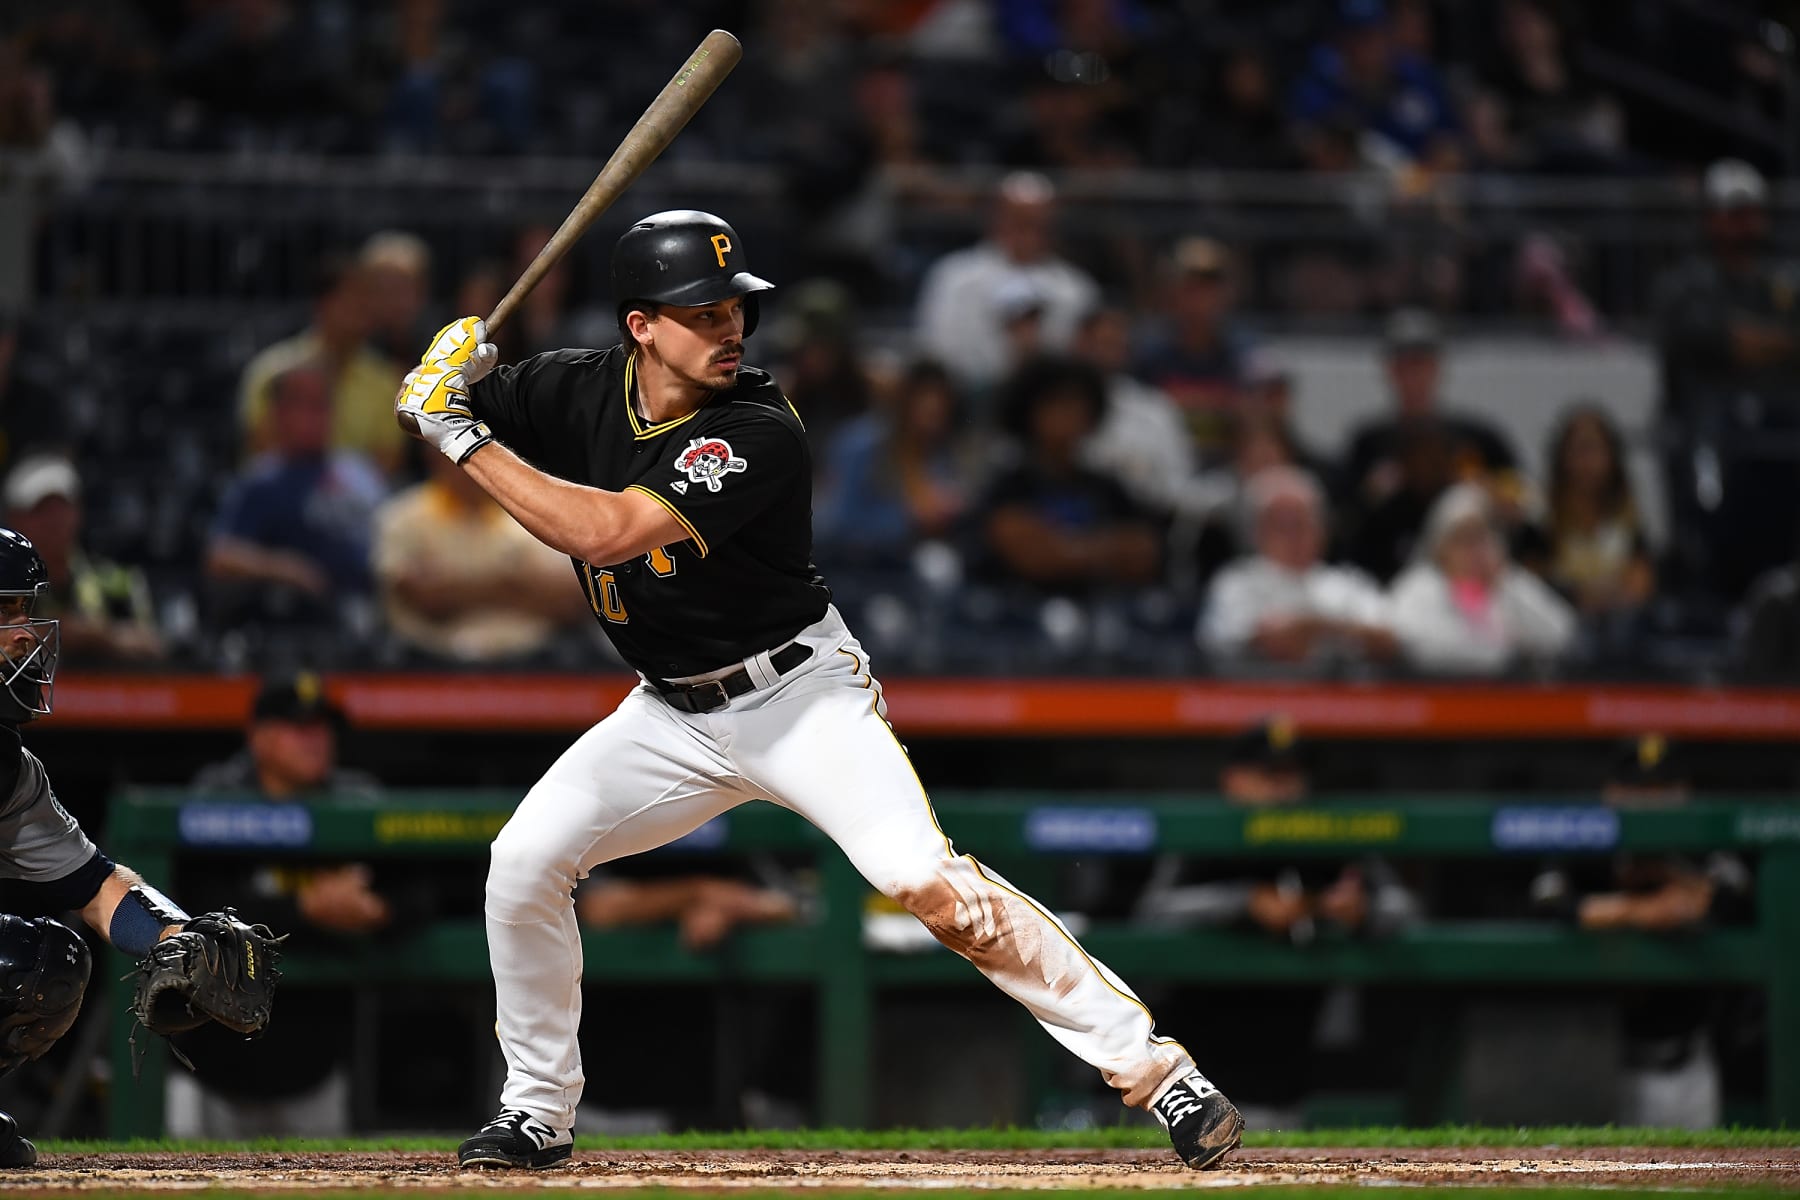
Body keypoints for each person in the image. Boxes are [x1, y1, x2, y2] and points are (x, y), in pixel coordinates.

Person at [395, 210, 1242, 1170]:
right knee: (521, 868)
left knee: (925, 882)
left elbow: (604, 532)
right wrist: (445, 372)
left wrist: (456, 433)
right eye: (701, 313)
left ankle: (1159, 1072)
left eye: (735, 310)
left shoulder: (755, 426)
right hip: (669, 710)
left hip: (799, 700)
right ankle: (537, 1111)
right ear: (640, 326)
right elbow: (445, 408)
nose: (730, 330)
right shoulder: (574, 388)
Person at [0, 529, 278, 1167]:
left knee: (45, 963)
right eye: (3, 612)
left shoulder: (9, 771)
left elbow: (93, 886)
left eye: (25, 611)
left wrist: (180, 940)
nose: (25, 636)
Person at [173, 673, 400, 1138]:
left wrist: (377, 910)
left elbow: (421, 891)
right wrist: (305, 908)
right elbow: (192, 902)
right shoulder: (216, 797)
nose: (316, 740)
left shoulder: (357, 804)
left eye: (322, 727)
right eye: (299, 727)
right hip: (210, 1071)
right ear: (259, 737)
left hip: (312, 1070)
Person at [1527, 735, 1751, 1128]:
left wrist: (1668, 883)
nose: (1649, 802)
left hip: (1688, 1064)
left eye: (1660, 790)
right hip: (1594, 1063)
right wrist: (1645, 908)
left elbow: (1731, 897)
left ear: (1683, 792)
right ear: (1612, 793)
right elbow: (1547, 901)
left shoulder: (1702, 846)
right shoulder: (1586, 844)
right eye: (1638, 790)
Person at [1654, 158, 1800, 605]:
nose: (1743, 225)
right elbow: (1712, 340)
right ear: (1711, 218)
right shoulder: (1685, 282)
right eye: (1732, 213)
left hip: (1778, 439)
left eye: (1750, 212)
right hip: (1708, 434)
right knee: (1707, 535)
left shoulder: (1782, 281)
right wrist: (1775, 341)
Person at [206, 363, 386, 626]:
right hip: (303, 619)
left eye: (321, 404)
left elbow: (391, 538)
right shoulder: (263, 480)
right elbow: (221, 557)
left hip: (370, 612)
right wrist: (284, 568)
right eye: (302, 404)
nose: (315, 415)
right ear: (278, 414)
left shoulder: (360, 473)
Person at [373, 452, 586, 662]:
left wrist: (459, 588)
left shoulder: (535, 515)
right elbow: (427, 600)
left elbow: (570, 601)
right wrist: (511, 587)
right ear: (437, 455)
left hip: (529, 666)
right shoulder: (402, 517)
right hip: (430, 668)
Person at [980, 357, 1167, 597]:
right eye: (1058, 403)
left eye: (1080, 403)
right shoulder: (1009, 486)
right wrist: (1107, 550)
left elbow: (1145, 552)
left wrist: (1064, 549)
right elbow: (1031, 558)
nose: (1072, 413)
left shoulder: (1106, 487)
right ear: (1031, 412)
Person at [913, 172, 1100, 389]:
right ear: (996, 219)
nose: (1028, 232)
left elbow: (1086, 362)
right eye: (1018, 221)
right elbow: (935, 349)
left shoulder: (1076, 288)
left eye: (1037, 223)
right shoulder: (955, 276)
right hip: (966, 399)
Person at [1200, 467, 1395, 668]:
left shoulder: (1348, 582)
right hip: (1261, 693)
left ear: (1323, 529)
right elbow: (1271, 643)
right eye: (1282, 524)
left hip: (1341, 695)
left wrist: (1309, 627)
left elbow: (1387, 639)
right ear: (1257, 531)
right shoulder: (1236, 582)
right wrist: (1337, 629)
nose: (1295, 535)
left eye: (1304, 522)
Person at [239, 255, 406, 475]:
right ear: (322, 303)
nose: (362, 311)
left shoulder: (387, 382)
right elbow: (260, 446)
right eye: (351, 299)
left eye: (367, 301)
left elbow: (387, 463)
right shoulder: (270, 370)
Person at [1341, 310, 1519, 514]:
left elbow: (1522, 497)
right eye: (1404, 365)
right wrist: (1370, 492)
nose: (1413, 376)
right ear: (1389, 370)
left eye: (1420, 364)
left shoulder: (1479, 439)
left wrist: (1485, 490)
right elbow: (1344, 511)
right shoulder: (1368, 445)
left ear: (1437, 367)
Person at [1388, 482, 1577, 675]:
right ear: (1440, 544)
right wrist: (1499, 654)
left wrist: (1506, 580)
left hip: (1508, 698)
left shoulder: (1506, 583)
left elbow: (1561, 633)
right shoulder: (1418, 585)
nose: (1474, 549)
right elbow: (1408, 641)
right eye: (1462, 538)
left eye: (1481, 538)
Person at [2, 454, 163, 662]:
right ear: (14, 518)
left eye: (63, 508)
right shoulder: (4, 587)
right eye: (41, 510)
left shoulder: (117, 582)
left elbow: (153, 646)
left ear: (78, 512)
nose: (55, 520)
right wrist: (56, 631)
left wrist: (100, 637)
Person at [813, 359, 971, 568]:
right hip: (849, 569)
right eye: (927, 409)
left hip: (906, 566)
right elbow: (836, 523)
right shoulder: (858, 444)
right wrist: (910, 518)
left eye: (940, 413)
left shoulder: (939, 454)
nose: (933, 421)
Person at [1133, 237, 1253, 463]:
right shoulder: (1147, 354)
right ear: (1170, 293)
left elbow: (1257, 415)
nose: (1202, 300)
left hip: (1229, 469)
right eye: (1191, 289)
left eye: (1211, 289)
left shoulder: (1246, 353)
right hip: (1160, 466)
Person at [1531, 405, 1655, 616]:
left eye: (1595, 449)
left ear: (1612, 457)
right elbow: (1529, 589)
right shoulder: (1540, 519)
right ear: (1562, 456)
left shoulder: (1628, 518)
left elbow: (1641, 584)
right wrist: (1578, 594)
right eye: (1579, 449)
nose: (1587, 461)